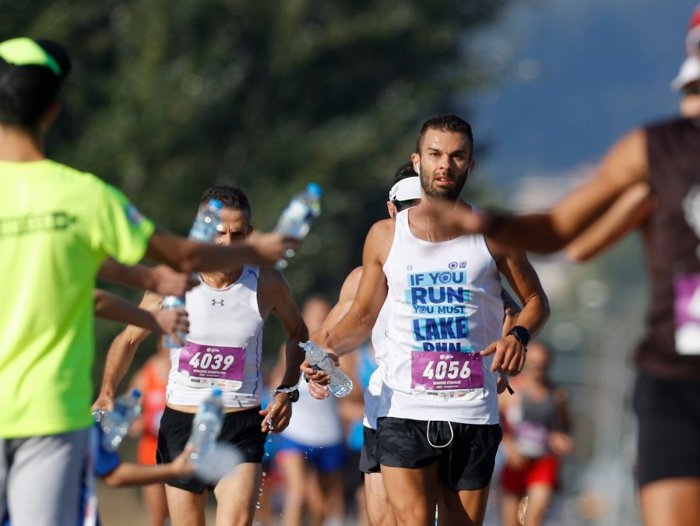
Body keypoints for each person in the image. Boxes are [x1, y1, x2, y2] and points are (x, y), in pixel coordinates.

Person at [0, 37, 295, 526]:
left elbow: (115, 289)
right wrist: (255, 249)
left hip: (235, 423)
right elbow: (169, 261)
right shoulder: (88, 198)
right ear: (52, 111)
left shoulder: (261, 286)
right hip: (50, 418)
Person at [447, 54, 700, 526]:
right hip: (676, 377)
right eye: (691, 92)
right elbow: (572, 236)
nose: (692, 108)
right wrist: (491, 222)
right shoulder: (658, 151)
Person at [306, 114, 550, 526]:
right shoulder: (385, 235)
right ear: (417, 160)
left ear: (470, 164)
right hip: (404, 408)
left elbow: (535, 301)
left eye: (457, 157)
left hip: (472, 409)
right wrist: (324, 349)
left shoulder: (493, 234)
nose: (445, 165)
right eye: (435, 154)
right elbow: (362, 314)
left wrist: (519, 336)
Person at [93, 185, 308, 526]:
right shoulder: (176, 281)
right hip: (182, 425)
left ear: (249, 235)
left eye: (237, 235)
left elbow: (299, 332)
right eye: (219, 233)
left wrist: (286, 391)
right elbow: (129, 339)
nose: (226, 243)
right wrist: (107, 390)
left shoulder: (266, 281)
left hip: (241, 423)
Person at [564, 53, 700, 263]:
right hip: (680, 292)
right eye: (691, 91)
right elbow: (579, 249)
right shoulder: (659, 168)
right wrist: (641, 197)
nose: (696, 103)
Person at [273, 297, 346, 526]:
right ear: (304, 319)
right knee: (298, 492)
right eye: (315, 315)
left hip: (327, 434)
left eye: (325, 316)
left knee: (321, 502)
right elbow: (277, 383)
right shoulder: (291, 349)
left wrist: (331, 376)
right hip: (294, 432)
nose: (319, 321)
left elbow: (352, 393)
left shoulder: (341, 351)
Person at [498, 341, 574, 526]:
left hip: (543, 460)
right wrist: (508, 444)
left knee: (533, 518)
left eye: (542, 365)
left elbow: (564, 428)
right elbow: (494, 424)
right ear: (525, 363)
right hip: (515, 461)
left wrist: (561, 438)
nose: (538, 369)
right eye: (533, 364)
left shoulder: (558, 395)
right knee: (511, 521)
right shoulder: (510, 391)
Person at [129, 343, 171, 526]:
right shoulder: (146, 374)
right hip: (150, 453)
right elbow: (129, 408)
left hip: (180, 452)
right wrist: (137, 422)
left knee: (182, 517)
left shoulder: (188, 371)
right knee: (157, 517)